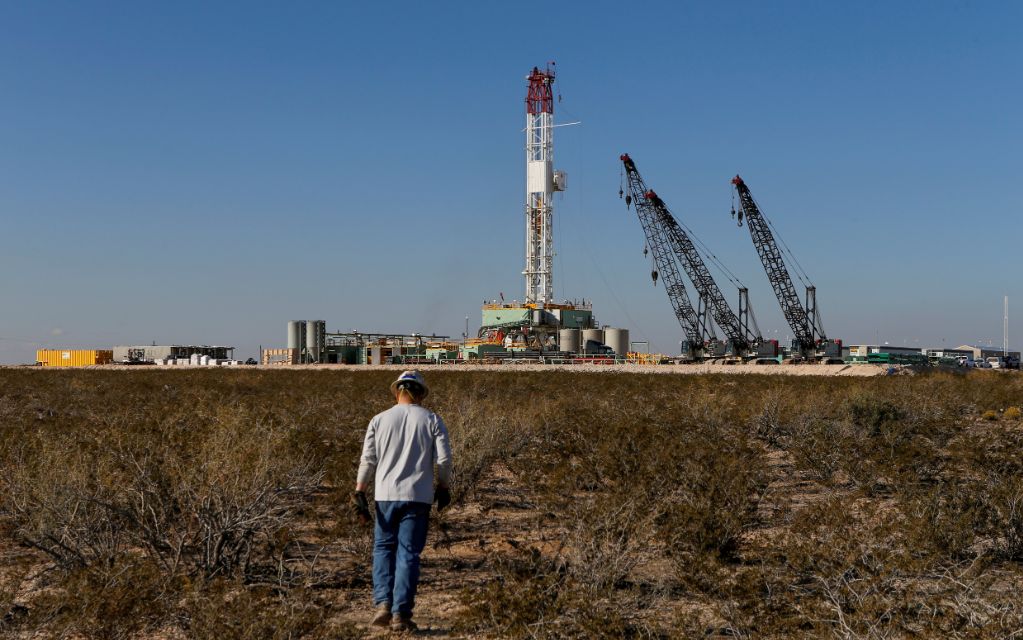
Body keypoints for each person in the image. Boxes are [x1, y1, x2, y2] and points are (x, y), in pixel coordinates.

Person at [352, 370, 453, 632]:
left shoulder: (379, 420)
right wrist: (443, 487)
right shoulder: (432, 419)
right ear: (420, 393)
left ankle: (383, 604)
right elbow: (443, 460)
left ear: (397, 391)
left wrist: (359, 491)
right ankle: (401, 614)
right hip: (417, 497)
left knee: (384, 549)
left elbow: (368, 459)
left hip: (384, 495)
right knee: (409, 553)